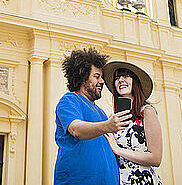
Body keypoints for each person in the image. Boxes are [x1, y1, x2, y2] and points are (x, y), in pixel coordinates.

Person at [54, 48, 132, 185]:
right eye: (97, 76)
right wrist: (107, 126)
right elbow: (76, 129)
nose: (102, 81)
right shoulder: (70, 100)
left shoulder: (101, 112)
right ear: (82, 77)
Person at [103, 61, 163, 185]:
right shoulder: (113, 117)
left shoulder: (146, 111)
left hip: (142, 180)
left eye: (126, 76)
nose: (120, 80)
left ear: (135, 82)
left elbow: (156, 158)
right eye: (117, 78)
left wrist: (118, 150)